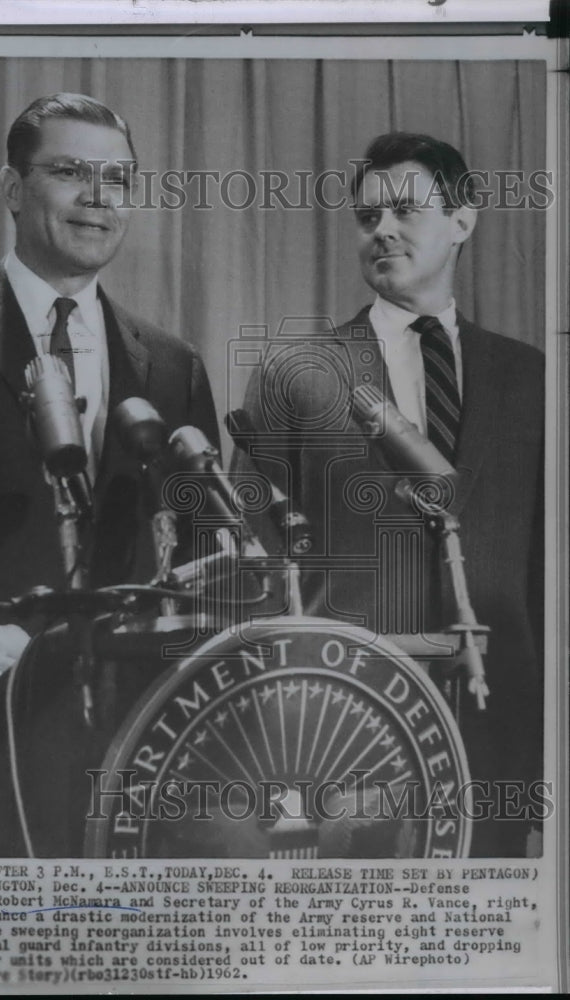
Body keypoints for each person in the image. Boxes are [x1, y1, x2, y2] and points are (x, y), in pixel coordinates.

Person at [0, 93, 219, 855]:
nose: (98, 198)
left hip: (129, 746)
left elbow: (203, 562)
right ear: (13, 190)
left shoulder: (171, 365)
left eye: (117, 179)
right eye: (70, 171)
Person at [234, 133, 544, 857]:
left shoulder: (532, 377)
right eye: (367, 218)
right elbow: (250, 562)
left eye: (405, 210)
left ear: (464, 219)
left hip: (499, 734)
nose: (383, 231)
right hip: (349, 734)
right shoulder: (299, 372)